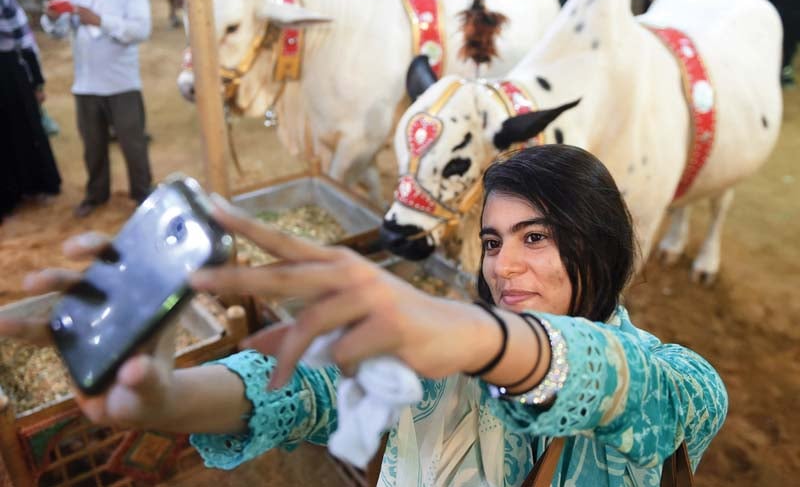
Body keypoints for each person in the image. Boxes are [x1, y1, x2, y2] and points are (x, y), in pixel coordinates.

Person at [7, 145, 728, 485]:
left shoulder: (675, 382)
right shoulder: (436, 362)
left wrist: (481, 336)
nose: (503, 266)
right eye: (491, 242)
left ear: (595, 240)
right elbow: (302, 388)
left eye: (535, 237)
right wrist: (166, 395)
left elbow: (640, 389)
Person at [41, 0, 153, 219]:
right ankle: (96, 195)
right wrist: (50, 18)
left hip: (121, 83)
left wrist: (100, 21)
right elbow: (58, 31)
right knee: (93, 147)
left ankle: (143, 196)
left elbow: (140, 30)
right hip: (86, 85)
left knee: (133, 146)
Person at [0, 0, 61, 221]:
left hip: (7, 70)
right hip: (9, 69)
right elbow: (22, 35)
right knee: (20, 128)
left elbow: (20, 34)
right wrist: (35, 77)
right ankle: (26, 187)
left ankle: (14, 192)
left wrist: (35, 77)